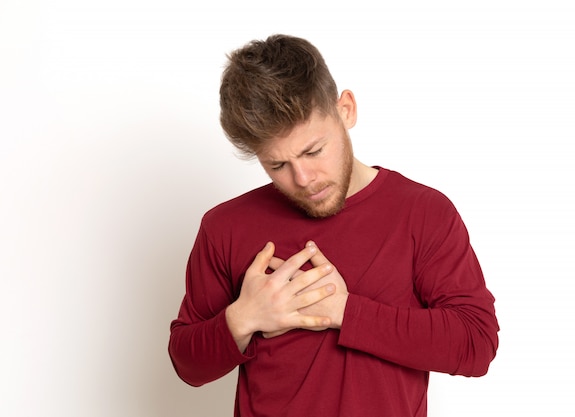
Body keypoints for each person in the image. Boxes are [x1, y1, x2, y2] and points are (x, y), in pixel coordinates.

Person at [168, 34, 499, 417]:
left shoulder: (423, 213)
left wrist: (343, 311)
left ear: (346, 110)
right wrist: (245, 317)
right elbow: (187, 365)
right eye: (277, 165)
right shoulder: (225, 226)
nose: (304, 178)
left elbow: (476, 344)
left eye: (313, 151)